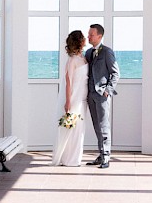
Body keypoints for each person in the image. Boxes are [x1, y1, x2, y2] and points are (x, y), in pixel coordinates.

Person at [50, 30, 88, 167]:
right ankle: (69, 159)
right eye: (84, 38)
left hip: (83, 99)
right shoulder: (72, 61)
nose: (85, 39)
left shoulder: (83, 57)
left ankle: (75, 158)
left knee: (80, 130)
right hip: (74, 99)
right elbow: (69, 82)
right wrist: (68, 101)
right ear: (80, 41)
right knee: (73, 129)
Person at [84, 23, 120, 169]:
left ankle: (106, 157)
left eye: (91, 34)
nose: (88, 36)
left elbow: (115, 73)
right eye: (88, 34)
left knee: (104, 126)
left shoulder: (107, 52)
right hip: (90, 94)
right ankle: (101, 154)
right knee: (96, 126)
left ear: (99, 36)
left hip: (102, 95)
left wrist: (108, 90)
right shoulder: (88, 53)